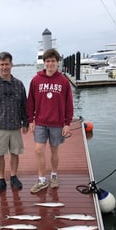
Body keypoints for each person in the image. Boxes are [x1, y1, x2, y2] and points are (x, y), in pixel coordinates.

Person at [26, 48, 74, 193]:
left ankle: (54, 175)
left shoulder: (64, 81)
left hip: (57, 123)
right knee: (39, 150)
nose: (50, 64)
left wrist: (67, 123)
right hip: (40, 122)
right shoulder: (36, 80)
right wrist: (30, 120)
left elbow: (69, 104)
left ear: (57, 62)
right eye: (47, 61)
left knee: (54, 150)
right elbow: (30, 102)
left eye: (53, 61)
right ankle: (42, 180)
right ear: (44, 63)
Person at [0, 51, 28, 194]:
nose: (4, 67)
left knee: (15, 153)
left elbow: (24, 105)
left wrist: (25, 122)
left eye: (7, 64)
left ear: (11, 64)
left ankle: (13, 177)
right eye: (1, 64)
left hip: (15, 126)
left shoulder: (19, 84)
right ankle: (1, 179)